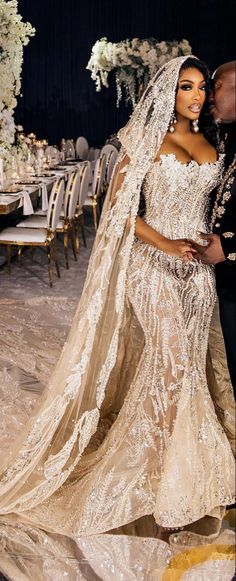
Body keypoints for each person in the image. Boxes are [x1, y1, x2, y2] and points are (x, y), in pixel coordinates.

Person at [0, 56, 234, 539]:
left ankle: (180, 469)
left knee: (184, 362)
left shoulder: (215, 144)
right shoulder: (142, 141)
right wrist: (166, 243)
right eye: (184, 87)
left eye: (199, 89)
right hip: (153, 267)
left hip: (197, 277)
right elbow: (118, 210)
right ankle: (174, 474)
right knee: (174, 365)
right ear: (166, 93)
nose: (194, 96)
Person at [196, 61, 236, 397]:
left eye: (217, 85)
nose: (209, 95)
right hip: (227, 282)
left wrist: (227, 246)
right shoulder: (227, 139)